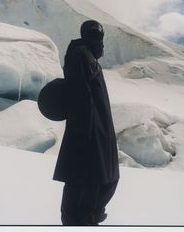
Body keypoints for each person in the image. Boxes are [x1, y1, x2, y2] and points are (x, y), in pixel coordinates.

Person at [53, 20, 120, 225]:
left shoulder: (88, 56)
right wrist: (86, 136)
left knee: (104, 181)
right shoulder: (81, 54)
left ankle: (86, 218)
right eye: (96, 35)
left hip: (97, 135)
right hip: (90, 138)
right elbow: (80, 96)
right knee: (87, 186)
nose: (100, 41)